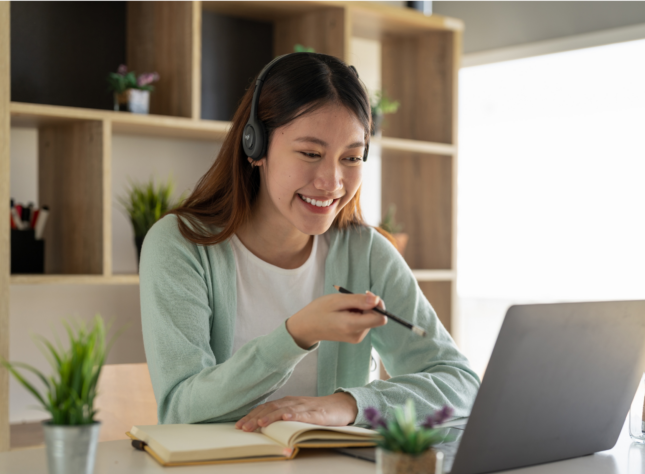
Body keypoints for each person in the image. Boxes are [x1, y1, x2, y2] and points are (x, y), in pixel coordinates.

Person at [139, 52, 479, 431]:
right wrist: (296, 335)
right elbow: (180, 410)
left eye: (351, 158)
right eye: (310, 153)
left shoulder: (365, 253)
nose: (332, 181)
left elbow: (461, 385)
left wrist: (351, 405)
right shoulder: (180, 246)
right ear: (255, 147)